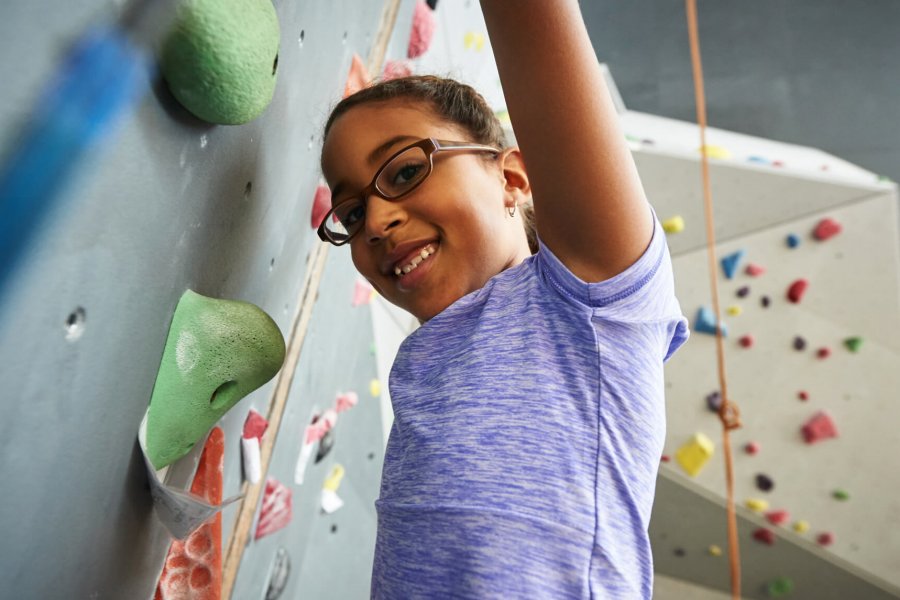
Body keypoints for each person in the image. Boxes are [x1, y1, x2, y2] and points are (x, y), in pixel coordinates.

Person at [318, 1, 690, 598]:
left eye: (407, 171)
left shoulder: (589, 302)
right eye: (353, 211)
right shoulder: (426, 363)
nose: (377, 222)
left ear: (512, 179)